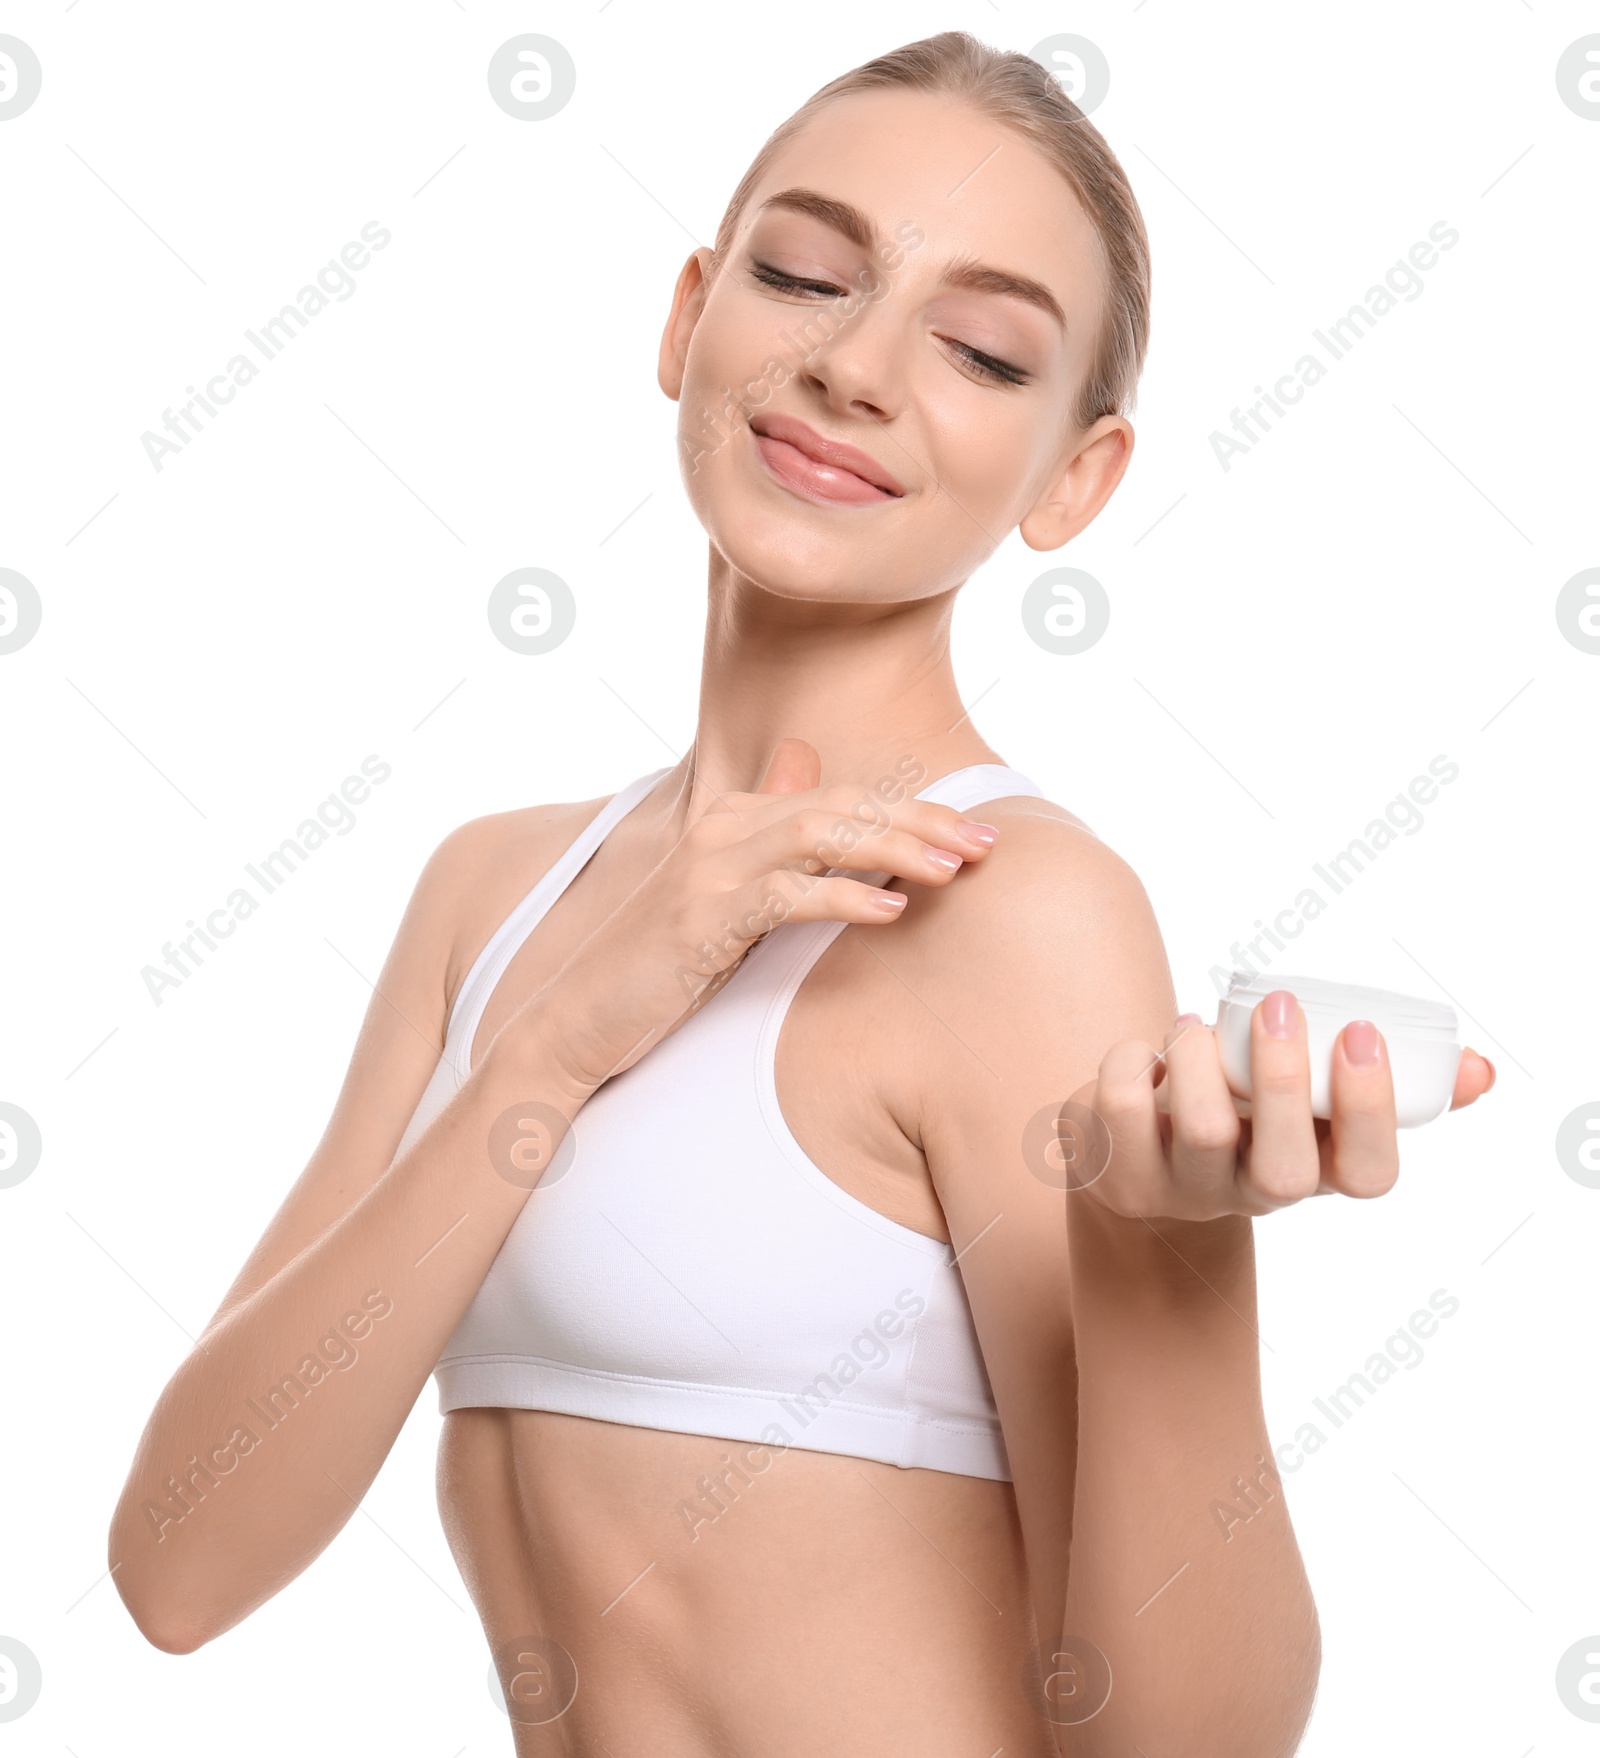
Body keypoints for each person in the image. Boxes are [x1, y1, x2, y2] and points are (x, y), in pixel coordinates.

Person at [108, 30, 1494, 1756]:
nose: (854, 367)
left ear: (1076, 477)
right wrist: (547, 1052)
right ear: (690, 316)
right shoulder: (495, 892)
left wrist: (1173, 1273)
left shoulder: (1017, 911)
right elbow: (179, 1564)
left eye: (984, 351)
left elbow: (1190, 1745)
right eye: (804, 274)